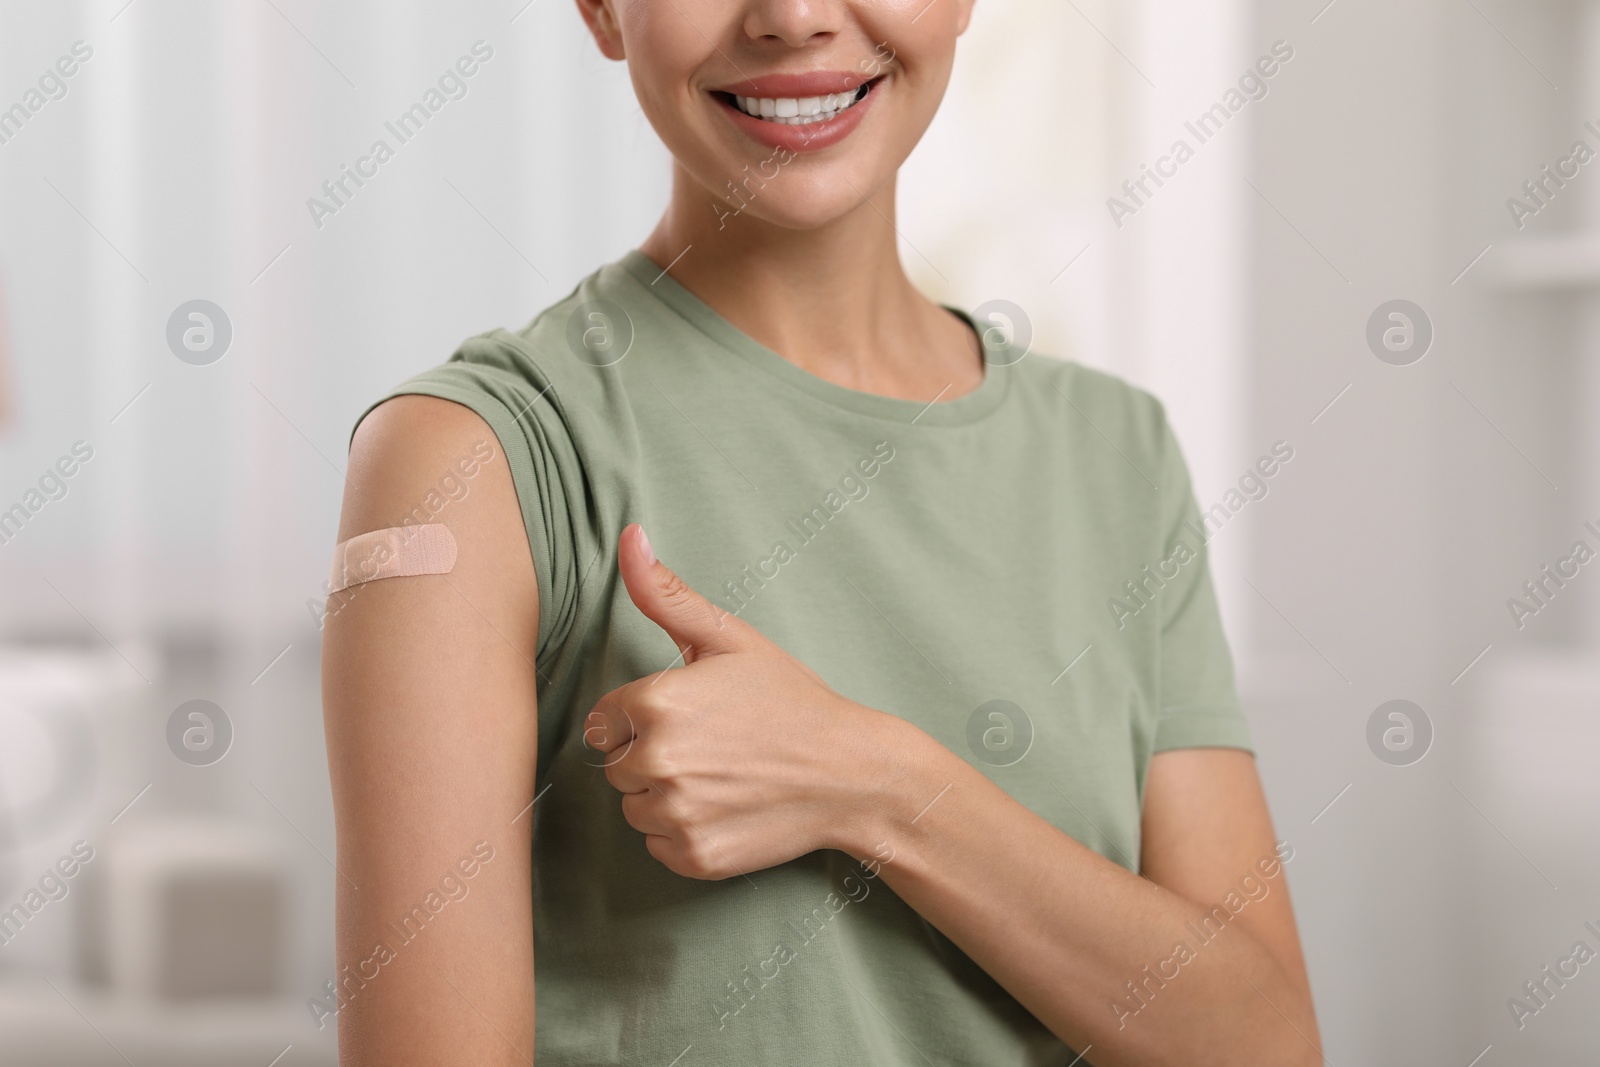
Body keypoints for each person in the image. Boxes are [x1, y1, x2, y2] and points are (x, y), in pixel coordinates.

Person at [321, 1, 1322, 1063]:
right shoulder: (469, 463)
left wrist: (874, 782)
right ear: (603, 11)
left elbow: (1263, 1044)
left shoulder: (1119, 452)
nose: (793, 17)